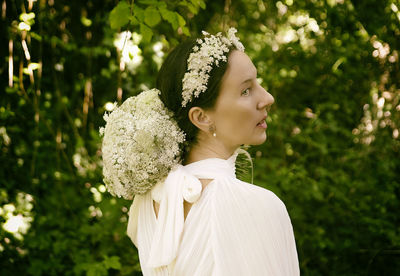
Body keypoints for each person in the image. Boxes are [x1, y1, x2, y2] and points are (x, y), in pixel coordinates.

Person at [101, 28, 299, 275]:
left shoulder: (149, 203)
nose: (267, 98)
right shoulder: (256, 206)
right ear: (201, 117)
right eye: (246, 90)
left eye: (257, 84)